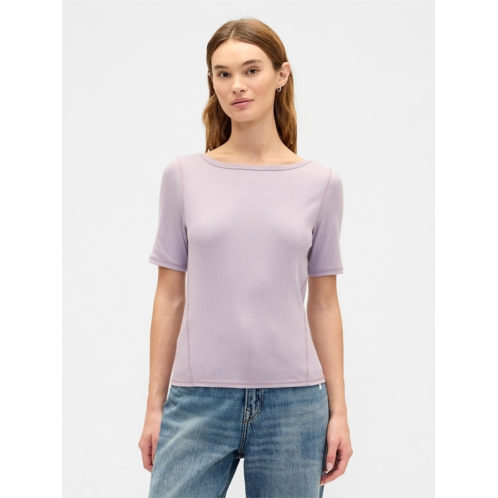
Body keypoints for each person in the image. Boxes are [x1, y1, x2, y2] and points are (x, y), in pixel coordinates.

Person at [139, 17, 353, 498]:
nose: (236, 85)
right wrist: (154, 407)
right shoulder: (183, 176)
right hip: (197, 400)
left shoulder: (320, 183)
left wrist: (339, 411)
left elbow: (323, 303)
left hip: (295, 406)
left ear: (281, 75)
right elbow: (169, 296)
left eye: (251, 70)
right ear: (212, 82)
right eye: (223, 73)